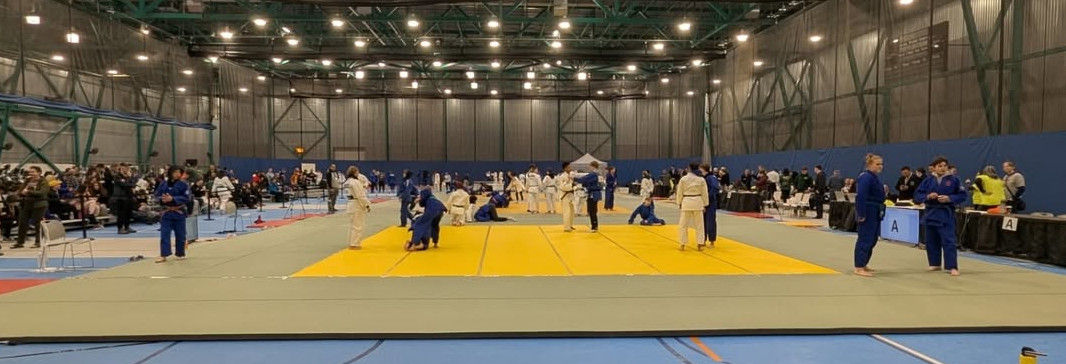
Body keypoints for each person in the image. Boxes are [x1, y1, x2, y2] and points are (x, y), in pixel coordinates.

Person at [914, 156, 968, 276]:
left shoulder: (954, 180)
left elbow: (962, 195)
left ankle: (951, 266)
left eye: (944, 166)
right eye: (940, 166)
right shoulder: (928, 180)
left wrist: (949, 198)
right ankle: (934, 263)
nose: (943, 168)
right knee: (931, 240)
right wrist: (928, 196)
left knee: (948, 241)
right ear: (934, 168)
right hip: (931, 212)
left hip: (946, 213)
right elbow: (917, 195)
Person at [853, 154, 885, 277]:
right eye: (877, 164)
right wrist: (861, 213)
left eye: (881, 164)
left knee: (872, 238)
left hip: (876, 209)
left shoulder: (874, 177)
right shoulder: (866, 177)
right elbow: (860, 196)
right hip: (868, 210)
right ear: (869, 164)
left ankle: (864, 263)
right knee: (865, 238)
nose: (880, 166)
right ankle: (859, 266)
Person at [154, 166, 190, 263]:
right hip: (167, 213)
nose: (178, 174)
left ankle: (180, 253)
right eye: (175, 172)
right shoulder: (163, 184)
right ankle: (164, 254)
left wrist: (173, 199)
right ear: (170, 173)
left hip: (179, 212)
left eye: (179, 172)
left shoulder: (183, 185)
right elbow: (157, 195)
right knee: (164, 233)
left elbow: (187, 198)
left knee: (181, 234)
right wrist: (162, 199)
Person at [676, 162, 709, 251]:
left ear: (689, 168)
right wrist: (705, 204)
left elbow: (679, 192)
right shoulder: (701, 179)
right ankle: (700, 244)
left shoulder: (684, 179)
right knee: (699, 225)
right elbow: (704, 193)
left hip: (686, 201)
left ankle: (682, 244)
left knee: (683, 224)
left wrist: (679, 202)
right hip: (698, 201)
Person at [14, 166, 49, 249]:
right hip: (26, 204)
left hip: (39, 205)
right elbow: (20, 191)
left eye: (33, 172)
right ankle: (20, 242)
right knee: (22, 223)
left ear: (39, 172)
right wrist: (21, 193)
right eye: (30, 172)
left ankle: (38, 242)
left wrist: (28, 192)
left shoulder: (43, 181)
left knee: (38, 224)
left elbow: (42, 192)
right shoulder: (27, 181)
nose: (30, 173)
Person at [344, 166, 371, 249]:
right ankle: (355, 244)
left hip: (350, 203)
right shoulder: (355, 182)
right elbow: (360, 195)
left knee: (353, 225)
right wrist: (367, 204)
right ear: (354, 172)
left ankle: (352, 242)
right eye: (357, 172)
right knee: (358, 225)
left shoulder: (347, 182)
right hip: (356, 204)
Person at [575, 161, 603, 233]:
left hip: (593, 194)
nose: (589, 167)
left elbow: (585, 179)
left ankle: (594, 226)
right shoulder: (599, 174)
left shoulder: (593, 174)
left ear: (593, 166)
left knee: (591, 210)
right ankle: (595, 225)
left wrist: (575, 179)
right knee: (593, 210)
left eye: (590, 166)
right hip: (596, 193)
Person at [701, 163, 720, 247]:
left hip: (710, 203)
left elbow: (715, 188)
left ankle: (712, 240)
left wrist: (707, 197)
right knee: (702, 222)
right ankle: (702, 239)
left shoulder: (711, 178)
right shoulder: (702, 178)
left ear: (704, 169)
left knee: (710, 221)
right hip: (703, 203)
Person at [557, 162, 576, 232]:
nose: (570, 168)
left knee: (571, 211)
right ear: (565, 168)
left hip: (570, 195)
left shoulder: (570, 176)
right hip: (564, 195)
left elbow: (572, 185)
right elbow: (562, 187)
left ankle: (570, 225)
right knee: (567, 211)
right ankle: (566, 227)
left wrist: (574, 187)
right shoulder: (562, 176)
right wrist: (571, 185)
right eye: (569, 167)